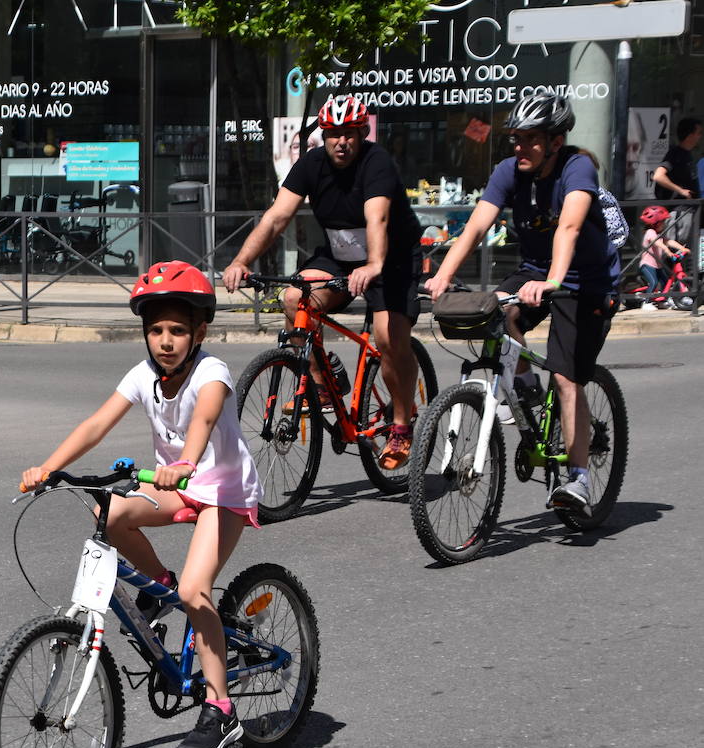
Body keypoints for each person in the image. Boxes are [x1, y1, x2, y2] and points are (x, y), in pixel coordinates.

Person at [20, 261, 263, 748]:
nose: (166, 341)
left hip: (222, 490)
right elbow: (96, 424)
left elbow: (206, 415)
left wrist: (187, 461)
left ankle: (221, 709)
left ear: (200, 332)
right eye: (155, 330)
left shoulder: (211, 372)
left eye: (177, 330)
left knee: (198, 590)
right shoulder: (143, 375)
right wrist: (47, 468)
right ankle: (160, 590)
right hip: (176, 485)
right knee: (107, 514)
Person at [425, 90, 621, 516]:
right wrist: (442, 275)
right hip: (536, 270)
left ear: (554, 140)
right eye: (515, 138)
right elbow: (477, 226)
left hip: (584, 281)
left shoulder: (577, 166)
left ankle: (581, 479)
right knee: (498, 312)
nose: (520, 147)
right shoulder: (509, 172)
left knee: (568, 377)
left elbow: (568, 227)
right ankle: (528, 391)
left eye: (530, 138)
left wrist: (552, 280)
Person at [223, 94, 424, 470]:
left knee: (387, 336)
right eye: (333, 134)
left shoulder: (376, 162)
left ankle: (400, 424)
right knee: (294, 298)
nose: (341, 141)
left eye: (349, 133)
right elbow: (276, 217)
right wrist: (240, 260)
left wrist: (375, 263)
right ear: (324, 136)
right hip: (340, 255)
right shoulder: (311, 164)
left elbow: (377, 217)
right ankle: (320, 380)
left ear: (362, 133)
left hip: (392, 257)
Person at [637, 204, 691, 310]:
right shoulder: (650, 232)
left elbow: (669, 241)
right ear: (655, 223)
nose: (665, 224)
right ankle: (646, 302)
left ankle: (662, 301)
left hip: (658, 265)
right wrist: (667, 251)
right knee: (654, 282)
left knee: (665, 283)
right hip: (647, 265)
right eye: (663, 222)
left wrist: (682, 248)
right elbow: (657, 243)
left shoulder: (659, 234)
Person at [652, 117, 701, 200]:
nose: (700, 136)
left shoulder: (688, 154)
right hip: (679, 209)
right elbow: (658, 176)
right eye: (699, 133)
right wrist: (681, 191)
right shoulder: (675, 154)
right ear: (690, 136)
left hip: (691, 207)